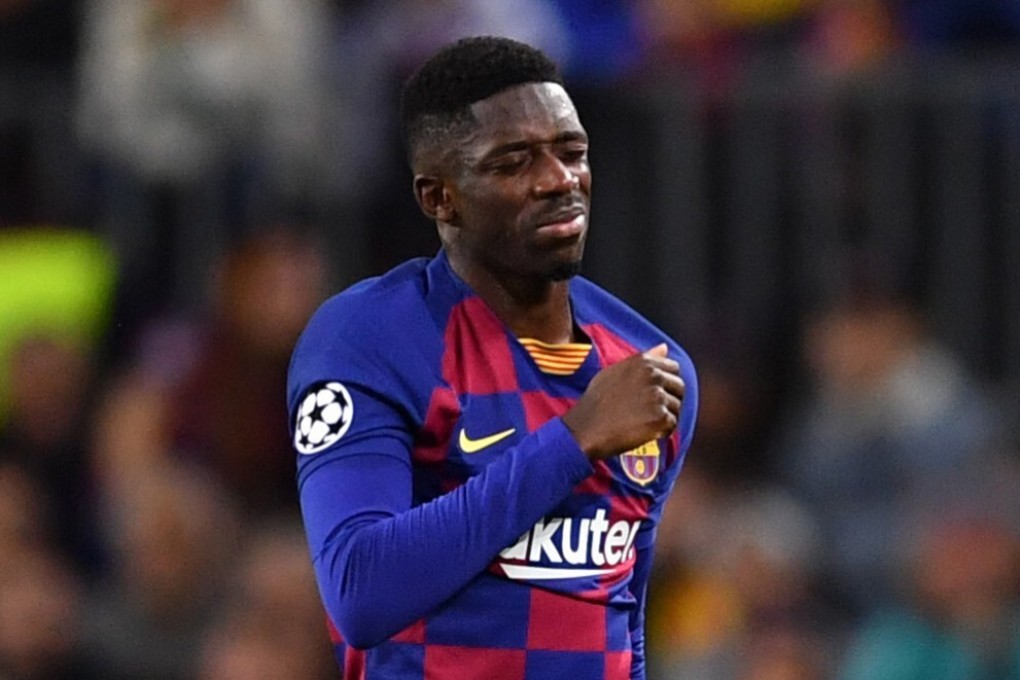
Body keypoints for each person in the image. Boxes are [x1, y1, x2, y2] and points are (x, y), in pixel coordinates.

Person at [287, 36, 699, 680]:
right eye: (514, 163)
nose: (558, 180)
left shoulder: (648, 366)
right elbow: (361, 591)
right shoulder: (372, 339)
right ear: (438, 198)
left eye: (571, 153)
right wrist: (573, 439)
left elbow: (622, 618)